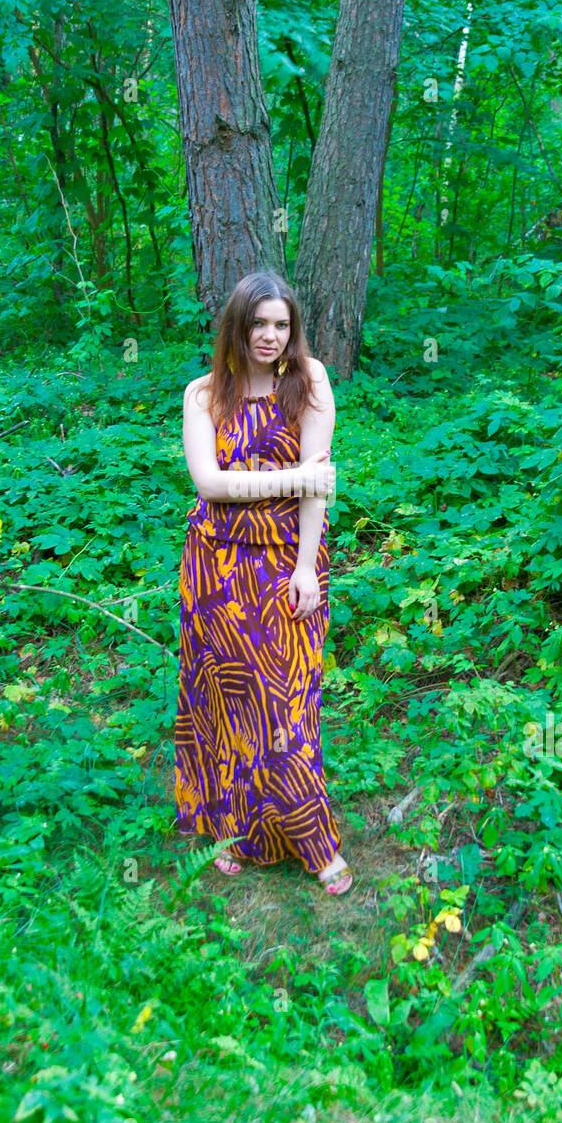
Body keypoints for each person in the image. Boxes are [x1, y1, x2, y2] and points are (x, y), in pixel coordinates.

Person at [175, 270, 353, 895]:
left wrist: (306, 565)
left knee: (287, 702)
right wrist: (296, 478)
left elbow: (318, 492)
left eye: (281, 324)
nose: (270, 335)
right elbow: (209, 484)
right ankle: (231, 831)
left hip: (286, 566)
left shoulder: (311, 383)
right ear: (237, 326)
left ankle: (313, 840)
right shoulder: (204, 395)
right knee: (225, 704)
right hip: (216, 568)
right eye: (259, 323)